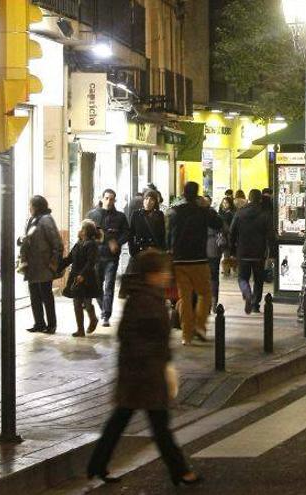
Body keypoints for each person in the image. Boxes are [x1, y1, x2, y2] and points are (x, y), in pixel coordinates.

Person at [86, 250, 201, 486]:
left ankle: (97, 464)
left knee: (124, 420)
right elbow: (130, 336)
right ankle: (180, 471)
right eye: (164, 271)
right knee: (159, 426)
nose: (168, 276)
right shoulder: (143, 299)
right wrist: (156, 363)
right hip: (144, 373)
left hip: (142, 372)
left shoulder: (148, 295)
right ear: (152, 274)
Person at [167, 182, 223, 345]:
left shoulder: (175, 212)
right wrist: (207, 207)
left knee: (184, 297)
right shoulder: (202, 212)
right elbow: (218, 224)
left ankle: (186, 335)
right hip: (198, 259)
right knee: (204, 294)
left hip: (179, 260)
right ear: (197, 194)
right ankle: (199, 325)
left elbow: (169, 234)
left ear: (184, 194)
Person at [87, 189, 130, 327]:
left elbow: (126, 233)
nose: (109, 201)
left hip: (112, 257)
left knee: (109, 285)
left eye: (112, 199)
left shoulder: (120, 217)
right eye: (106, 198)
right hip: (95, 257)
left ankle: (106, 315)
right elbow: (85, 233)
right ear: (102, 199)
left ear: (115, 200)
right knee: (97, 287)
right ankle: (104, 309)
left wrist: (117, 243)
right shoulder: (92, 215)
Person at [20, 195, 63, 334]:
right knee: (34, 296)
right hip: (32, 266)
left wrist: (54, 263)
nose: (29, 208)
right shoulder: (32, 220)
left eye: (31, 205)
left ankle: (51, 325)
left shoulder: (46, 220)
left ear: (37, 206)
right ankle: (39, 323)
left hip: (44, 266)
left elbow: (57, 243)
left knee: (46, 296)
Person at [229, 189, 273, 314]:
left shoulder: (240, 213)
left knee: (242, 278)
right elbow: (270, 235)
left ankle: (247, 292)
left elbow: (232, 232)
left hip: (242, 251)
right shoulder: (265, 213)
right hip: (259, 252)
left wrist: (232, 250)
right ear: (260, 199)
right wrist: (272, 253)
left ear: (248, 198)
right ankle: (255, 305)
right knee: (258, 279)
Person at [61, 220, 102, 337]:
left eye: (81, 228)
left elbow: (90, 262)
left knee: (87, 303)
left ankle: (93, 319)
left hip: (87, 278)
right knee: (77, 302)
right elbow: (69, 259)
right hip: (76, 276)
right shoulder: (78, 243)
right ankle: (80, 329)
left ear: (85, 231)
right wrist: (58, 266)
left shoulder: (91, 244)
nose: (79, 230)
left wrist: (82, 275)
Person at [203, 195, 225, 311]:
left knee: (206, 277)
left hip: (203, 250)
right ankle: (213, 301)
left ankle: (209, 302)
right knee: (213, 277)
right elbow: (222, 231)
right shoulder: (216, 216)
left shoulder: (199, 215)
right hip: (213, 250)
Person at [128, 189, 166, 256]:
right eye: (146, 198)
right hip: (140, 250)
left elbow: (162, 234)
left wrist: (162, 250)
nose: (148, 202)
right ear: (143, 200)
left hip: (155, 250)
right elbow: (131, 234)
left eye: (151, 199)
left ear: (155, 202)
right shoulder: (136, 214)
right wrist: (132, 251)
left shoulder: (159, 215)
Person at [218, 196, 237, 276]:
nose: (224, 205)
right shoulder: (223, 213)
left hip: (228, 236)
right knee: (227, 253)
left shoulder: (230, 214)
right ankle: (227, 269)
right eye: (223, 203)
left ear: (230, 204)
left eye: (226, 203)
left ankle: (228, 269)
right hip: (225, 236)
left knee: (228, 253)